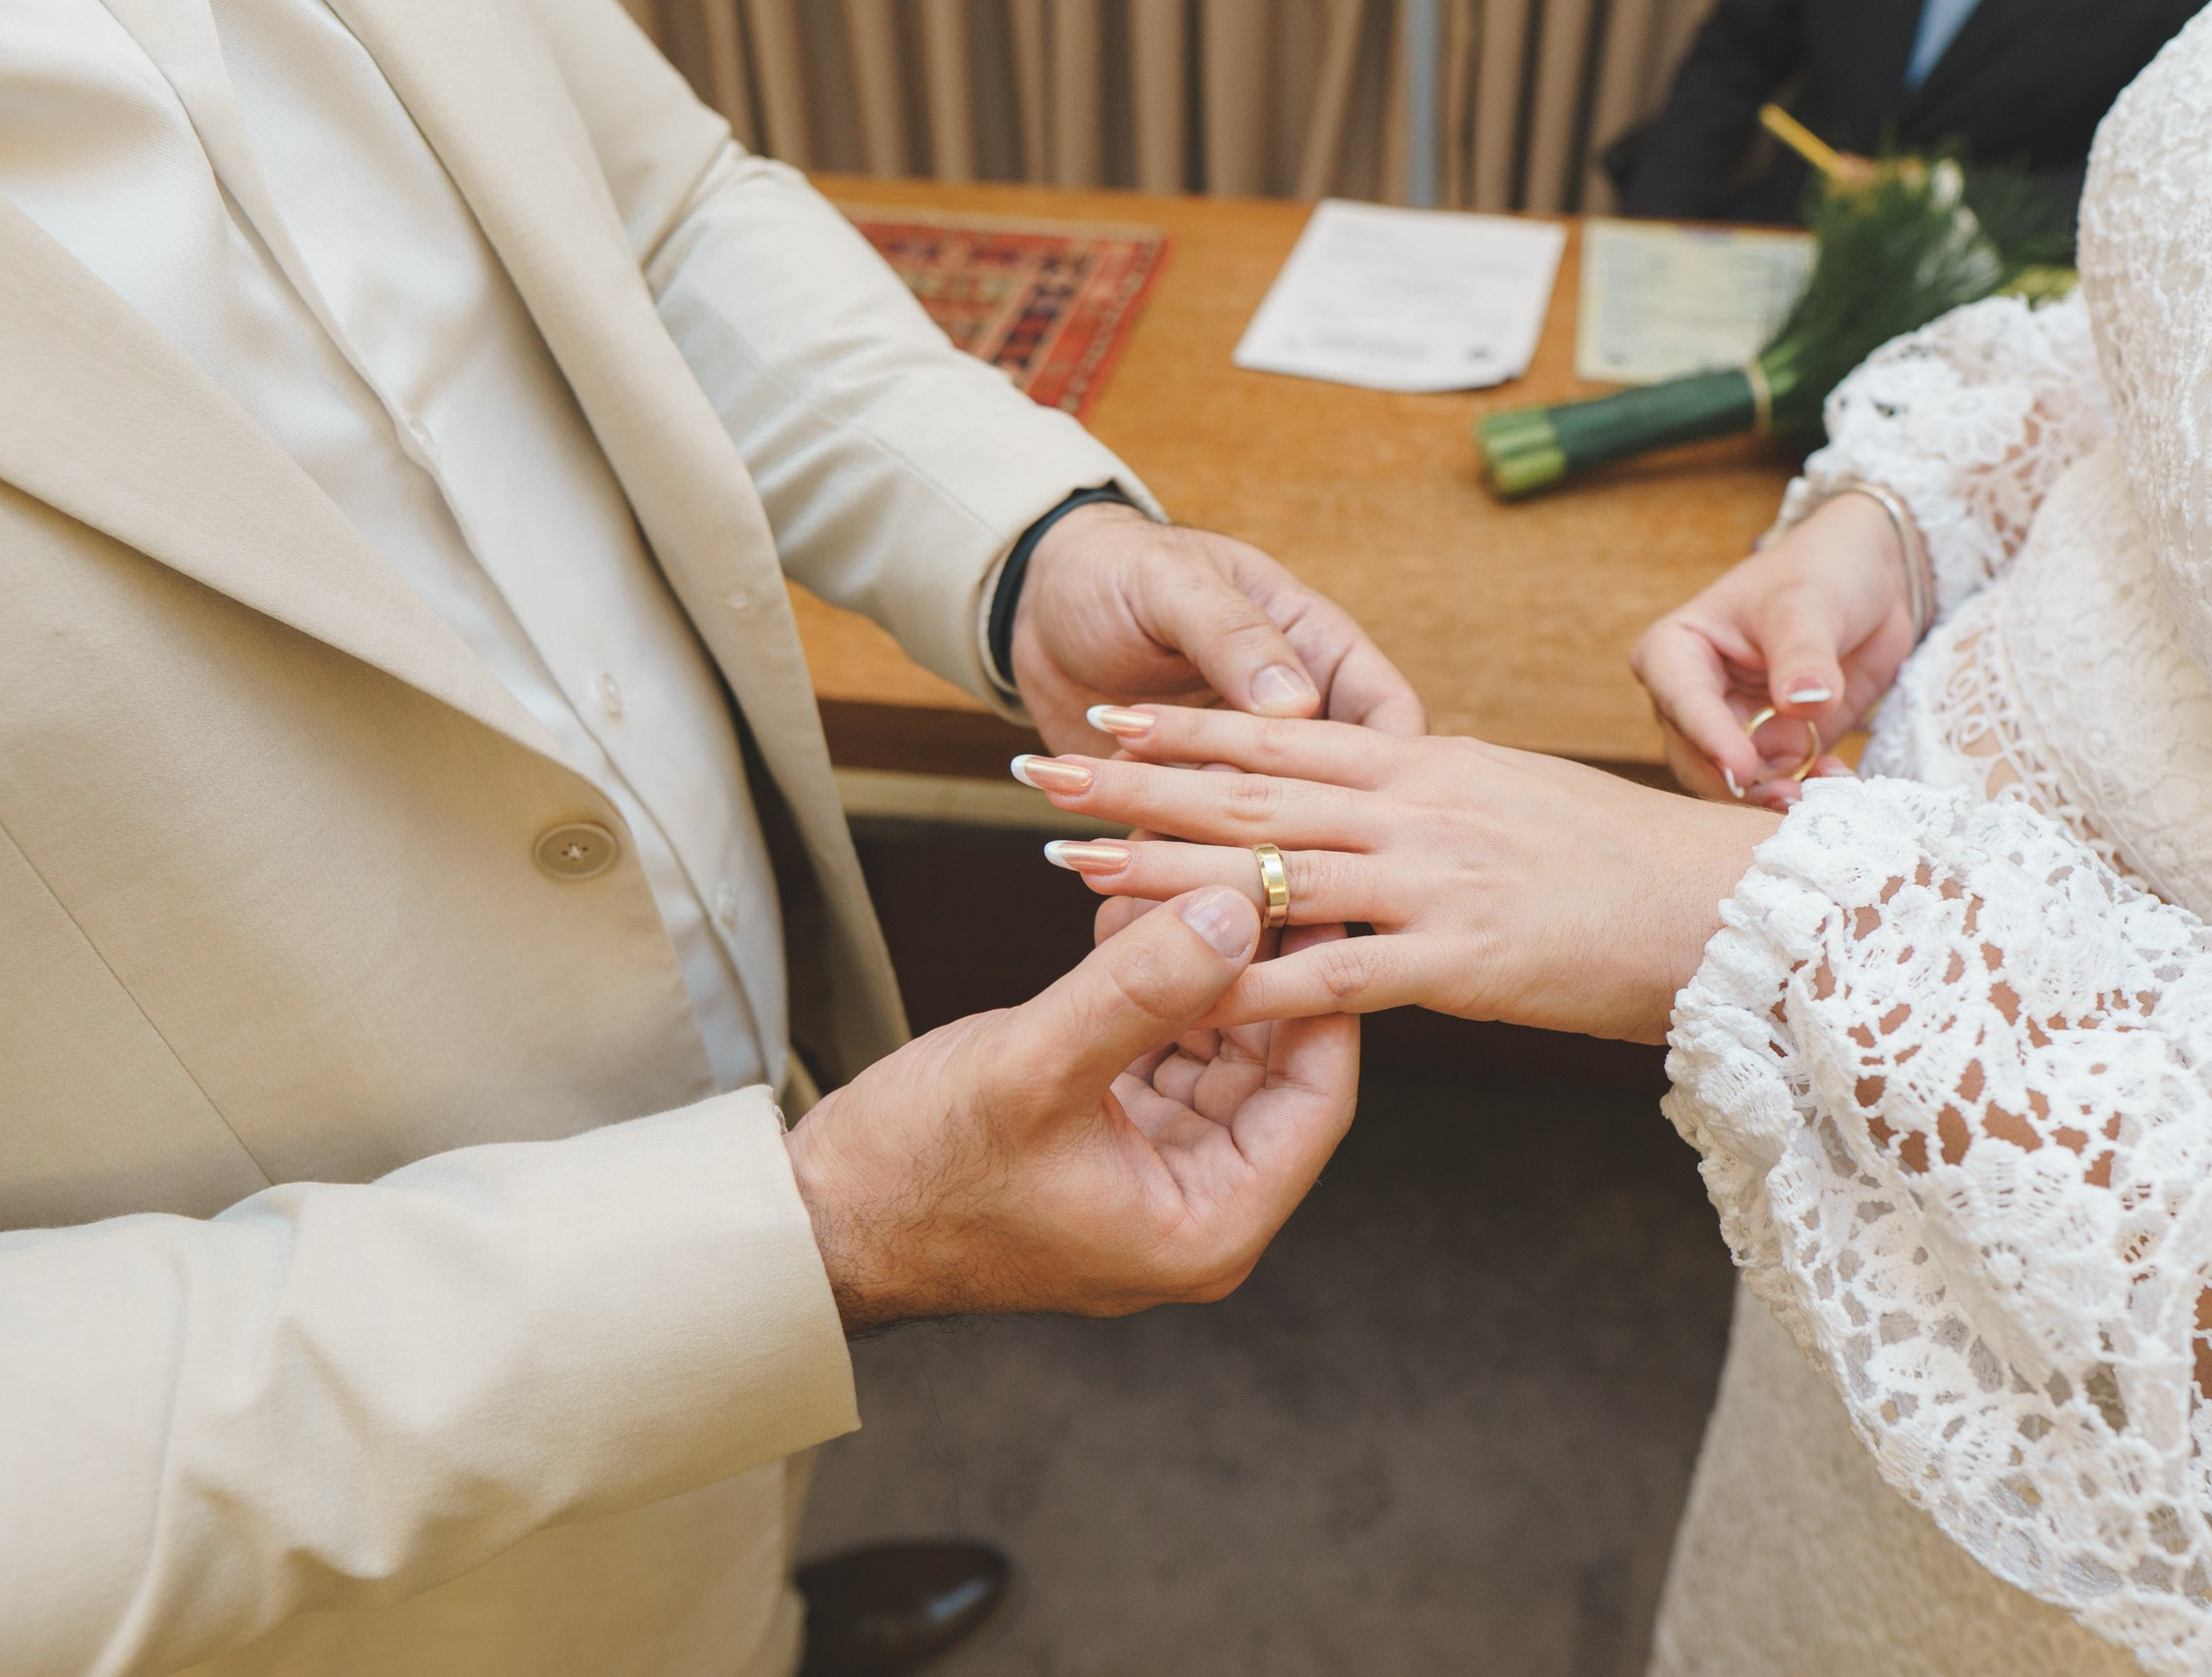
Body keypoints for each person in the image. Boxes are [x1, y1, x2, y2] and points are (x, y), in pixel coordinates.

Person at [1020, 0, 2212, 1669]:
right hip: (1877, 1208)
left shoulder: (1824, 960)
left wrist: (1800, 936)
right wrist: (1909, 520)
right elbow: (2190, 338)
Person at [0, 0, 1418, 1671]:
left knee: (723, 1561)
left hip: (750, 1100)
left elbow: (654, 211)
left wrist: (1025, 545)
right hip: (341, 1548)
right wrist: (802, 1242)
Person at [1606, 0, 2206, 227]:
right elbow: (1734, 58)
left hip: (1981, 301)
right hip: (1785, 229)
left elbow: (2168, 184)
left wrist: (1945, 195)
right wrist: (1654, 229)